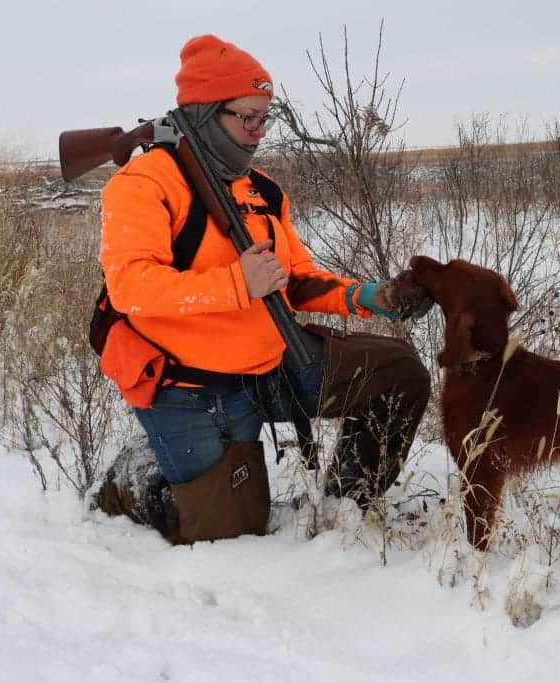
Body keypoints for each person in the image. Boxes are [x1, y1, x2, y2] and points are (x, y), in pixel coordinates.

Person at [97, 35, 431, 544]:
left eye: (264, 118)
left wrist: (369, 297)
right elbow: (129, 288)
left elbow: (292, 280)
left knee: (398, 373)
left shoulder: (262, 190)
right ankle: (136, 477)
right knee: (227, 532)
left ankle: (346, 505)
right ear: (207, 112)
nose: (258, 132)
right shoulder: (145, 183)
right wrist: (236, 284)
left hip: (272, 368)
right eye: (246, 117)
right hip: (190, 387)